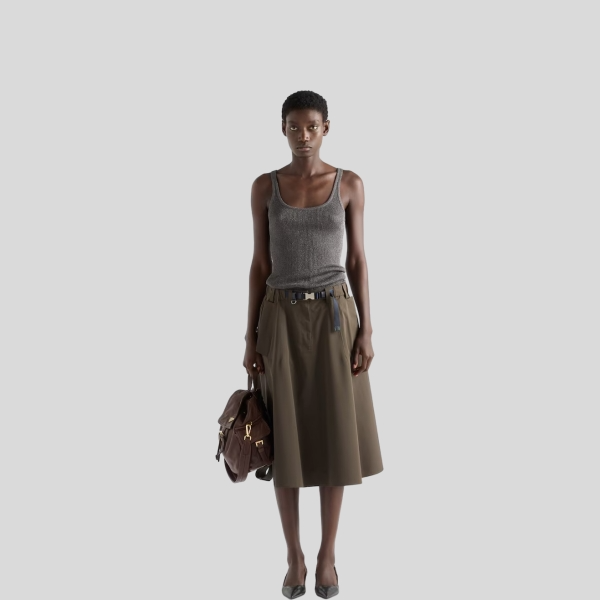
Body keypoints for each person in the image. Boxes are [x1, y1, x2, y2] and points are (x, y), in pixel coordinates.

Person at [243, 90, 383, 599]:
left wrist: (367, 329)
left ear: (326, 128)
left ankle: (327, 556)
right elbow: (260, 263)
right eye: (294, 127)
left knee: (333, 435)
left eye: (312, 126)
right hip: (279, 317)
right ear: (282, 129)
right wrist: (249, 336)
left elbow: (358, 260)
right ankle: (293, 556)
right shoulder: (266, 186)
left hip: (334, 318)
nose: (303, 136)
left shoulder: (349, 184)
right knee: (284, 438)